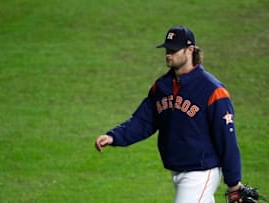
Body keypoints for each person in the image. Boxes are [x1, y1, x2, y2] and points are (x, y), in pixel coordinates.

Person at [95, 26, 249, 203]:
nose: (169, 54)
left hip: (201, 173)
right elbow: (144, 121)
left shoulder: (212, 91)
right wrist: (113, 137)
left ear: (190, 50)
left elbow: (226, 139)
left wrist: (233, 183)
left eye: (174, 50)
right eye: (167, 49)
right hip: (177, 170)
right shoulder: (162, 86)